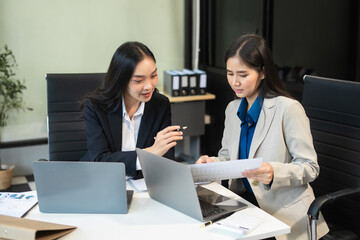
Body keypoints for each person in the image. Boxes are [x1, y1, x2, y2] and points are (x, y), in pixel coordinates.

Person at [196, 34, 328, 240]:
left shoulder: (288, 109)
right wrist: (211, 163)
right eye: (230, 73)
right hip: (244, 205)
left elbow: (310, 167)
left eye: (243, 74)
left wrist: (274, 172)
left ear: (263, 72)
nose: (234, 82)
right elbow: (228, 157)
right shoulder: (232, 109)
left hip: (282, 214)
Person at [80, 41, 183, 178]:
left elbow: (166, 160)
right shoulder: (95, 107)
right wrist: (150, 153)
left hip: (143, 185)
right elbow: (101, 161)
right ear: (121, 80)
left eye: (153, 76)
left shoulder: (160, 104)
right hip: (101, 181)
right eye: (139, 81)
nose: (149, 86)